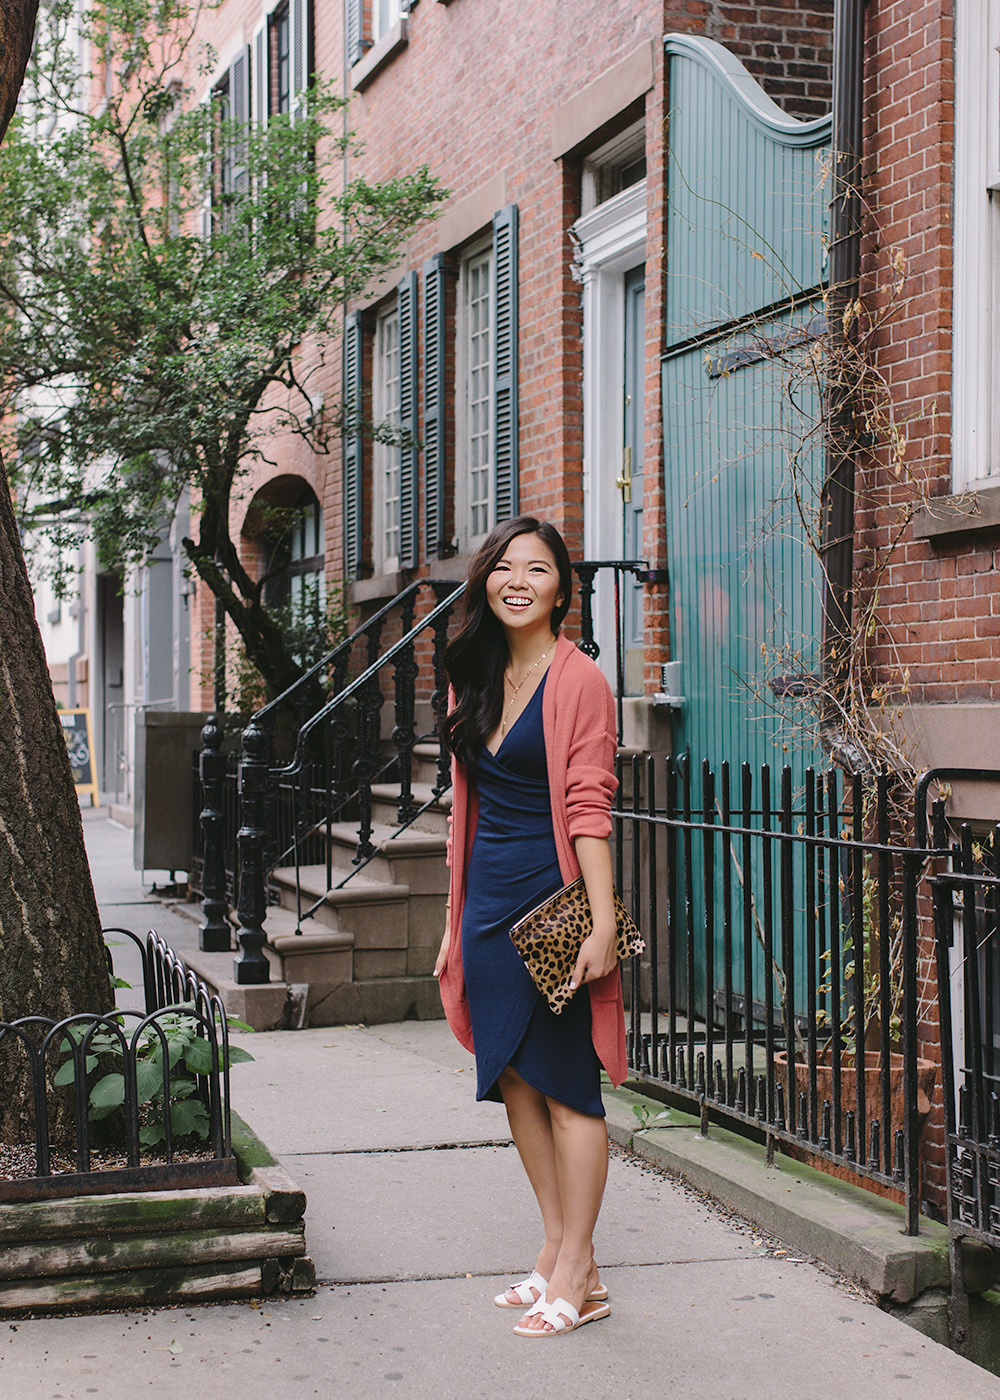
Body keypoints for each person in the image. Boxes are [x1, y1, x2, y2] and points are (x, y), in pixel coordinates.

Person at [434, 515, 627, 1338]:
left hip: (552, 905)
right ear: (486, 580)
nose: (518, 580)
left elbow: (590, 803)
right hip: (484, 904)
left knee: (568, 1089)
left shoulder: (579, 680)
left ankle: (580, 1271)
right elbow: (462, 811)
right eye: (504, 566)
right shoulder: (473, 673)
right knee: (513, 1074)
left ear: (560, 588)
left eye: (537, 568)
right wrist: (452, 922)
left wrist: (603, 918)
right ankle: (553, 1250)